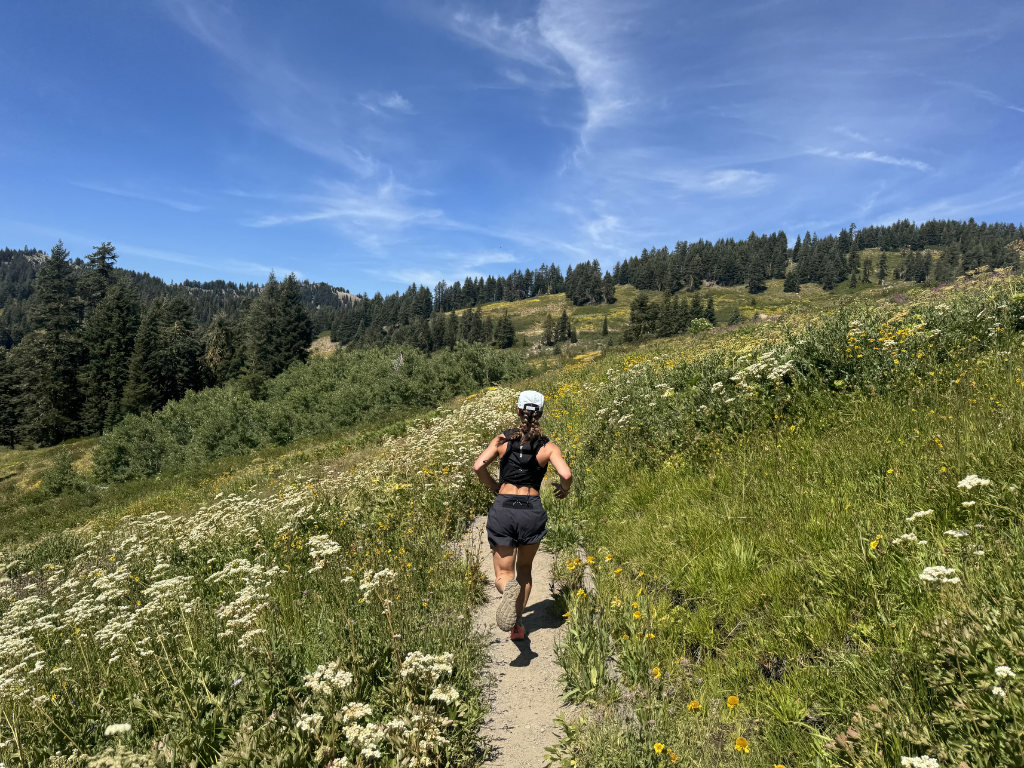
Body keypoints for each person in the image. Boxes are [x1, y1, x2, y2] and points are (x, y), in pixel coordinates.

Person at [472, 390, 572, 641]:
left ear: (518, 411)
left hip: (504, 508)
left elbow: (478, 465)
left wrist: (493, 485)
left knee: (504, 573)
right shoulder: (548, 446)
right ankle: (517, 626)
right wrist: (564, 490)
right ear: (541, 413)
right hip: (531, 510)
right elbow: (566, 475)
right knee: (524, 568)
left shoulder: (502, 440)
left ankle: (507, 588)